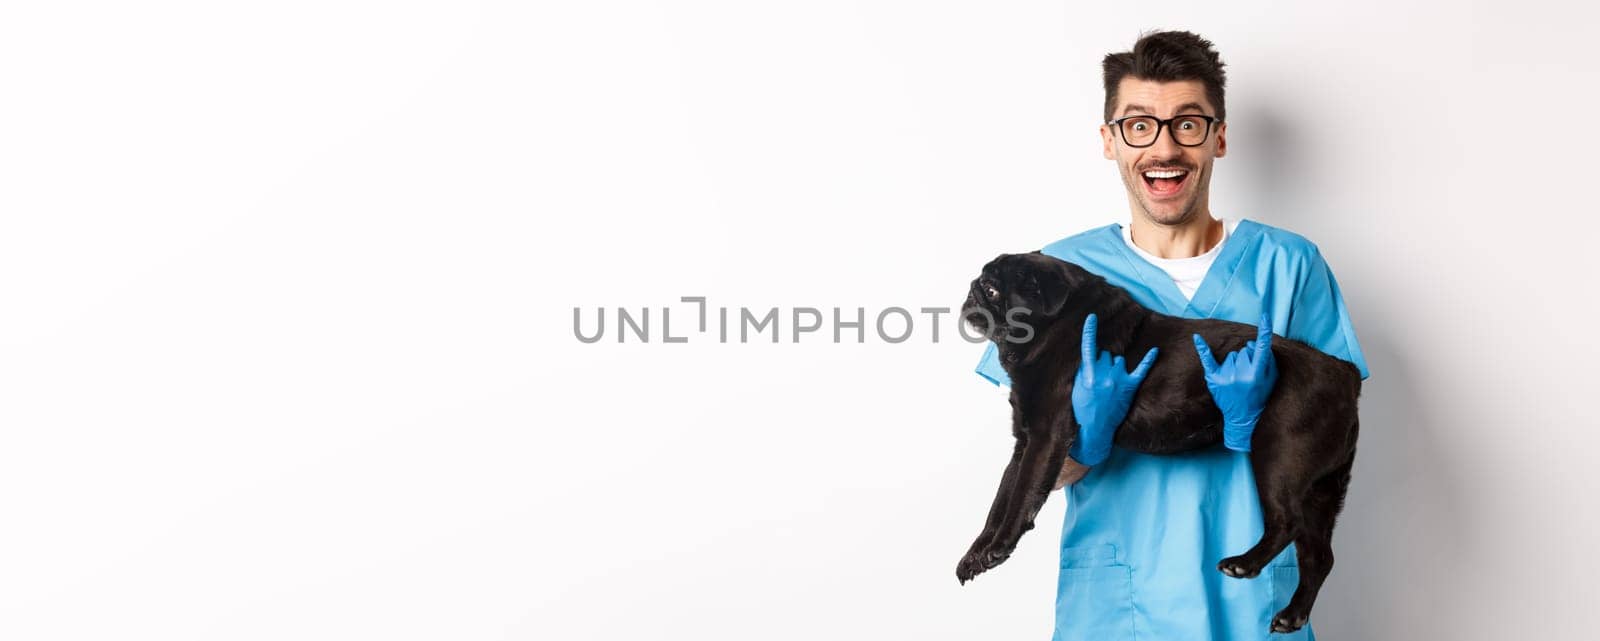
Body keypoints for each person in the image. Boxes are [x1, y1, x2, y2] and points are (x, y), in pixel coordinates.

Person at [972, 31, 1370, 640]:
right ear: (1109, 141)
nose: (1163, 147)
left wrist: (1250, 424)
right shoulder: (1053, 273)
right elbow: (1036, 457)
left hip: (1252, 607)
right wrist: (1087, 439)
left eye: (1186, 124)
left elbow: (1329, 422)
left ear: (1219, 136)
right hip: (1119, 607)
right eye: (1139, 126)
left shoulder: (1289, 265)